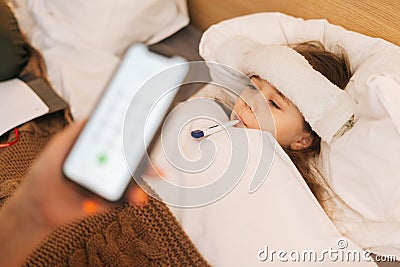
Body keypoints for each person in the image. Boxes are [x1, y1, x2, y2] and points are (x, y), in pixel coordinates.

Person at [229, 41, 351, 211]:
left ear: (301, 141)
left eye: (273, 104)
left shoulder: (284, 186)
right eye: (253, 88)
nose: (250, 102)